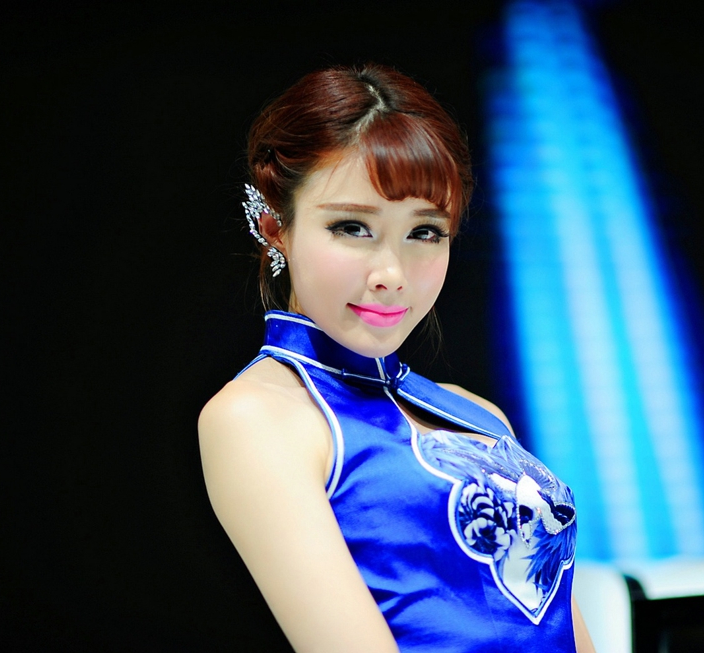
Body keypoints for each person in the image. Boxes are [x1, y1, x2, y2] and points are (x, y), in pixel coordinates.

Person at [199, 63, 595, 653]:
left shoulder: (478, 415)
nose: (391, 273)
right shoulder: (258, 418)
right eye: (352, 227)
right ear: (276, 227)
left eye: (425, 232)